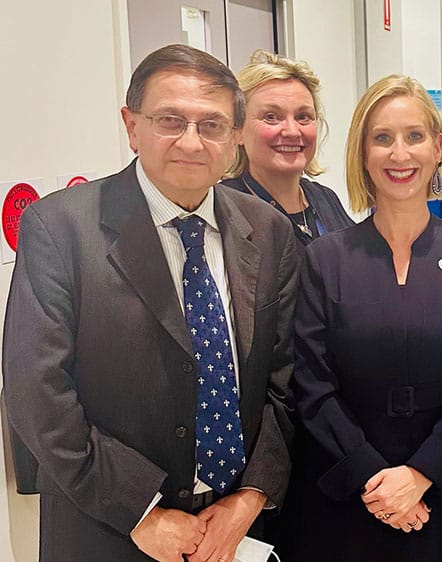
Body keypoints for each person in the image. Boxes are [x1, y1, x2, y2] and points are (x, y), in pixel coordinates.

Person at [2, 44, 298, 562]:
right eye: (170, 120)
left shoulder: (267, 230)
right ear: (131, 124)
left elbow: (286, 379)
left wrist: (249, 499)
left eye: (211, 126)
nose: (191, 141)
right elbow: (37, 393)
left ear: (234, 139)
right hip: (109, 529)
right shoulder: (60, 227)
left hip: (233, 531)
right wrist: (142, 512)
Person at [282, 74, 442, 561]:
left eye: (414, 137)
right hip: (349, 496)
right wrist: (372, 477)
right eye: (382, 138)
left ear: (438, 147)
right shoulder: (325, 259)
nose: (399, 154)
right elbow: (312, 384)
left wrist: (424, 473)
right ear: (362, 154)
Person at [222, 49, 353, 249]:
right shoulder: (225, 210)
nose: (292, 131)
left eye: (303, 117)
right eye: (271, 117)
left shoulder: (325, 198)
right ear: (238, 130)